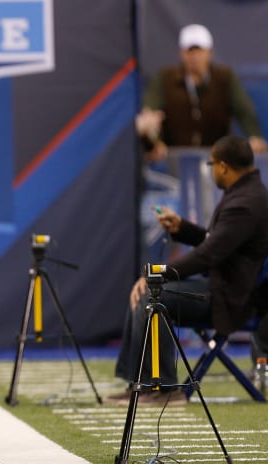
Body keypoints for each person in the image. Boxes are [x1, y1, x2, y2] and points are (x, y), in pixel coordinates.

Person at [112, 135, 268, 405]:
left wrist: (156, 274)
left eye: (212, 165)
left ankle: (163, 388)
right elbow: (216, 241)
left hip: (233, 299)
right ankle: (140, 383)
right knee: (149, 292)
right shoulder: (246, 194)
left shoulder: (246, 203)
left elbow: (208, 255)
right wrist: (182, 228)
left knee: (152, 295)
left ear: (223, 166)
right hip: (223, 288)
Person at [136, 24, 267, 164]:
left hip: (218, 164)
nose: (194, 57)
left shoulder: (225, 78)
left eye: (199, 51)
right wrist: (155, 143)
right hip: (175, 165)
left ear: (210, 52)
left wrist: (254, 136)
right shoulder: (164, 79)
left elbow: (244, 111)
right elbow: (151, 114)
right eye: (189, 51)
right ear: (181, 53)